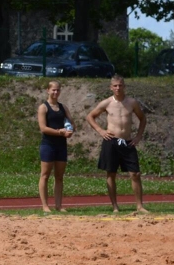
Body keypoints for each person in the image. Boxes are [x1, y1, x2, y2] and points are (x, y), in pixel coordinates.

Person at [86, 75, 149, 213]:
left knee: (135, 174)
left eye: (120, 85)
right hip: (111, 141)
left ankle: (139, 206)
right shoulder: (106, 103)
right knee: (111, 174)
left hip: (127, 141)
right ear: (111, 87)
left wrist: (138, 136)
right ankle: (115, 206)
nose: (118, 88)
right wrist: (100, 130)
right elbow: (90, 116)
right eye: (115, 85)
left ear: (124, 86)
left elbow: (143, 119)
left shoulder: (132, 102)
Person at [37, 81, 72, 213]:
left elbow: (71, 122)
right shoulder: (43, 107)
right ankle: (45, 206)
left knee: (59, 176)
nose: (55, 92)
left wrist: (70, 131)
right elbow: (43, 128)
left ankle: (58, 205)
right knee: (45, 175)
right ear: (48, 90)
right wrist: (59, 132)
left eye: (57, 90)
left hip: (61, 145)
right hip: (48, 144)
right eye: (53, 90)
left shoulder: (63, 107)